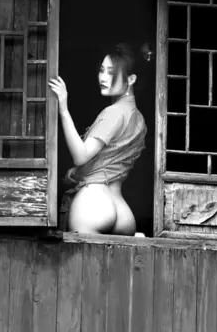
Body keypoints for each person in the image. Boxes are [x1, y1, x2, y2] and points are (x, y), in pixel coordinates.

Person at [48, 43, 147, 235]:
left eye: (111, 72)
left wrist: (64, 109)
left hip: (94, 203)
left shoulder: (114, 113)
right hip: (122, 211)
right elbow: (111, 158)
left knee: (81, 255)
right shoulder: (139, 120)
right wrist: (79, 172)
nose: (103, 77)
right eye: (102, 70)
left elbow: (81, 155)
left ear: (131, 78)